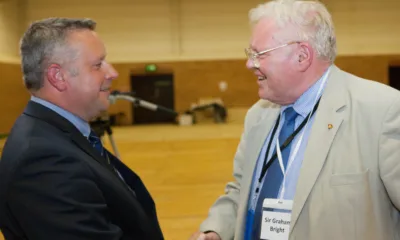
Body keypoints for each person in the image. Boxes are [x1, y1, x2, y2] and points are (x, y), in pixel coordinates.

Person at [190, 0, 400, 239]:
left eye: (259, 54)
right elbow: (242, 190)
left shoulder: (383, 112)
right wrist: (215, 230)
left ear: (302, 56)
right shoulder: (258, 116)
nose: (250, 64)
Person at [0, 18, 164, 240]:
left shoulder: (60, 133)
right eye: (98, 65)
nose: (113, 72)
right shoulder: (43, 161)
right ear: (58, 76)